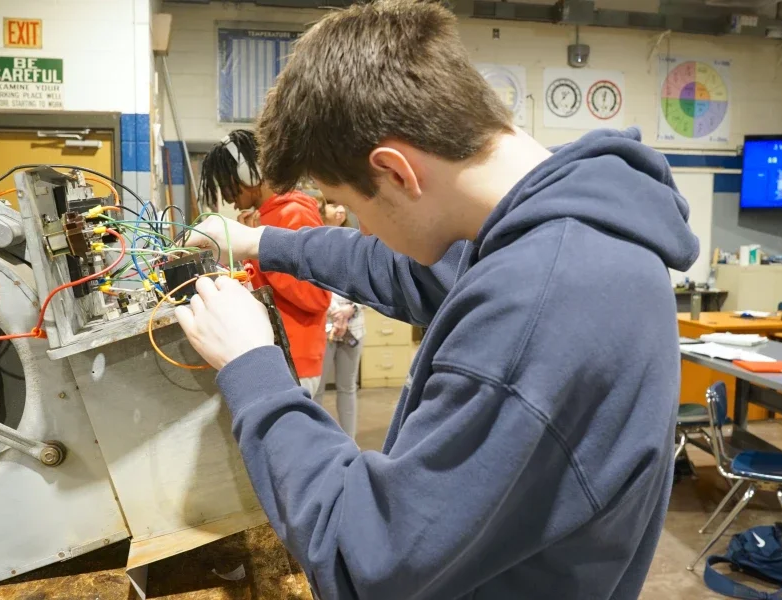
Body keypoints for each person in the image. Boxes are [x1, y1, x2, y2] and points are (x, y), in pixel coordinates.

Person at [175, 2, 699, 599]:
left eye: (358, 207)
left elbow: (365, 559)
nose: (364, 228)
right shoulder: (559, 231)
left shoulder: (539, 301)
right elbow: (405, 270)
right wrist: (258, 241)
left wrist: (254, 370)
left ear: (397, 172)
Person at [198, 129, 330, 396]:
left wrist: (259, 251)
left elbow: (317, 296)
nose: (227, 198)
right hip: (273, 353)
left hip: (295, 359)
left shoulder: (294, 214)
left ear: (249, 174)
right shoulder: (262, 218)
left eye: (226, 185)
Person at [313, 196, 365, 439]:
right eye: (334, 204)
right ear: (321, 209)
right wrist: (333, 309)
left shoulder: (358, 239)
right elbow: (312, 282)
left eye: (342, 204)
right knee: (317, 390)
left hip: (354, 325)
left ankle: (350, 443)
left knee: (348, 388)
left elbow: (365, 281)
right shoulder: (314, 241)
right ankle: (318, 444)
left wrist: (350, 309)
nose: (341, 208)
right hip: (323, 326)